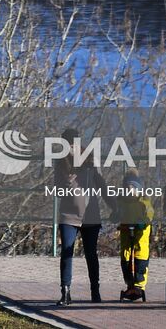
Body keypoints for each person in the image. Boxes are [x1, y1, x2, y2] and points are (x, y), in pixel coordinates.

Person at [53, 127, 103, 306]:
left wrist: (114, 206)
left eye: (74, 144)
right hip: (68, 215)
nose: (71, 148)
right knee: (67, 251)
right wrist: (67, 183)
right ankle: (65, 292)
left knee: (91, 254)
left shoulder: (91, 160)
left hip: (90, 215)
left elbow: (101, 185)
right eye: (68, 144)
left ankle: (95, 291)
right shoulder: (60, 163)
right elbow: (56, 190)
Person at [114, 168, 153, 302]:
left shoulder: (143, 201)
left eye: (133, 188)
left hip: (141, 231)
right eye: (127, 188)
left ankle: (139, 283)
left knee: (140, 254)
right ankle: (129, 282)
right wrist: (115, 216)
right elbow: (116, 212)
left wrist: (145, 221)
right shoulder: (121, 200)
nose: (130, 191)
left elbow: (149, 213)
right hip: (126, 230)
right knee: (126, 255)